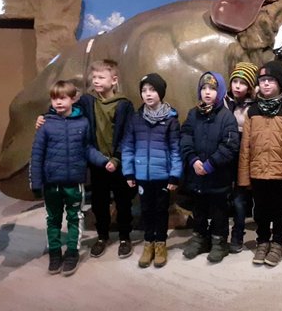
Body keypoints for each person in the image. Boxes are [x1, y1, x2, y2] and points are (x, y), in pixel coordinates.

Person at [36, 60, 136, 259]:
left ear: (114, 80)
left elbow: (128, 135)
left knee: (123, 201)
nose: (96, 81)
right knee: (99, 202)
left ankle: (125, 237)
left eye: (101, 77)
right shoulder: (88, 101)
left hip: (119, 163)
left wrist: (117, 159)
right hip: (97, 162)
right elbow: (64, 107)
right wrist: (44, 116)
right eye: (94, 77)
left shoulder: (125, 104)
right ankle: (102, 236)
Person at [30, 81, 109, 276]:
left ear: (73, 99)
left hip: (74, 182)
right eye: (54, 98)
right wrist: (36, 182)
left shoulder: (83, 123)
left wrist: (103, 161)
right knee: (53, 219)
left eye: (63, 98)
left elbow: (87, 148)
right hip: (51, 182)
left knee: (75, 217)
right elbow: (37, 154)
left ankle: (72, 252)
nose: (58, 102)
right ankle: (55, 253)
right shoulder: (46, 124)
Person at [237, 60, 282, 267]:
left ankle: (277, 243)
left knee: (279, 212)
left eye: (271, 80)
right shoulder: (253, 111)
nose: (265, 84)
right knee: (260, 211)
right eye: (262, 80)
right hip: (257, 172)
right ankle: (262, 241)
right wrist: (244, 177)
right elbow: (245, 146)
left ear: (280, 83)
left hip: (280, 173)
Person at [122, 73, 182, 268]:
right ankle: (148, 244)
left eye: (152, 90)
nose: (148, 94)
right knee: (146, 210)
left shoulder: (171, 120)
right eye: (144, 90)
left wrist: (174, 175)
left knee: (161, 210)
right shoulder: (135, 119)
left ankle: (161, 244)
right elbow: (128, 147)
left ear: (161, 93)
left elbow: (175, 149)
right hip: (142, 175)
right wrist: (129, 172)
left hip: (162, 175)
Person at [180, 71, 240, 263]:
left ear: (220, 91)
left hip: (218, 176)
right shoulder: (193, 114)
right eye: (204, 88)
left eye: (212, 89)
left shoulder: (227, 117)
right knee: (199, 210)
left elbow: (230, 145)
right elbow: (185, 137)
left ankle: (219, 242)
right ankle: (200, 238)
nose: (207, 92)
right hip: (197, 175)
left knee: (218, 212)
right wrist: (193, 160)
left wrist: (210, 164)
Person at [223, 62, 258, 253]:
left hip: (243, 157)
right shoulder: (223, 102)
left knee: (239, 199)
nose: (237, 86)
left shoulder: (253, 107)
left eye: (243, 83)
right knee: (221, 196)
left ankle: (237, 234)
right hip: (224, 156)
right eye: (235, 81)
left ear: (250, 87)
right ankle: (219, 234)